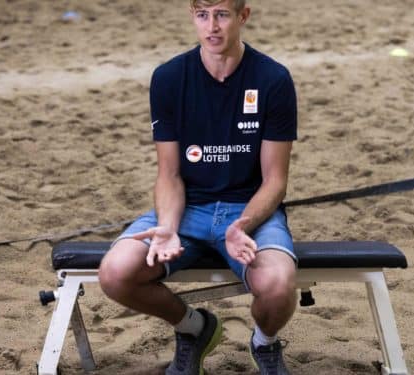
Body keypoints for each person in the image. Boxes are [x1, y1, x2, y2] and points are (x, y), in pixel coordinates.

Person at [98, 0, 298, 374]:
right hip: (187, 208)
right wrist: (168, 229)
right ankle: (195, 328)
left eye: (222, 14)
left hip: (247, 210)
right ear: (192, 17)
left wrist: (244, 224)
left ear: (243, 16)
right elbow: (169, 174)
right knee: (114, 273)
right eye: (203, 15)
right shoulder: (170, 77)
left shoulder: (272, 79)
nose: (213, 26)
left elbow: (275, 180)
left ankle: (265, 343)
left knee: (276, 285)